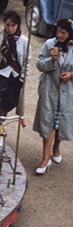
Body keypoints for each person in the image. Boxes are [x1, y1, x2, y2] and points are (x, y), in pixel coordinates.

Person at [33, 18, 73, 175]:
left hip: (67, 92)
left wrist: (71, 74)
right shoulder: (50, 44)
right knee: (48, 123)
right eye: (58, 32)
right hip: (50, 90)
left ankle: (56, 148)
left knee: (60, 123)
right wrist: (52, 59)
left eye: (63, 33)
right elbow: (39, 65)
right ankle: (45, 159)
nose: (60, 35)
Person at [0, 10, 30, 115]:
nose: (10, 28)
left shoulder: (24, 41)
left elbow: (27, 61)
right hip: (0, 74)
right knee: (1, 101)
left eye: (13, 25)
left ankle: (1, 122)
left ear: (18, 25)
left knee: (11, 102)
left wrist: (23, 77)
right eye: (7, 25)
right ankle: (0, 123)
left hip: (15, 75)